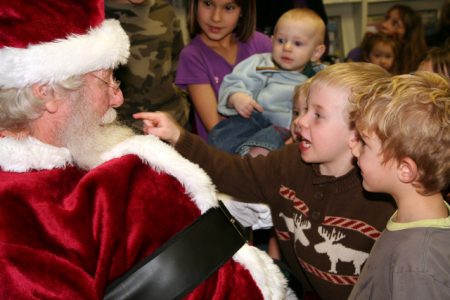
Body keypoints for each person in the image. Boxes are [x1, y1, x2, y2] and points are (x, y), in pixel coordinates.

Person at [0, 1, 290, 299]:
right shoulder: (21, 217)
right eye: (107, 79)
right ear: (46, 92)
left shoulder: (87, 161)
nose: (118, 98)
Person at [135, 62, 397, 300]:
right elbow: (232, 172)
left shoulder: (387, 196)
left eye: (317, 115)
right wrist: (180, 137)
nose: (300, 121)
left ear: (360, 132)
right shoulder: (289, 162)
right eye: (303, 110)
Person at [348, 71, 450, 299]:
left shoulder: (419, 266)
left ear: (405, 169)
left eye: (364, 143)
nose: (354, 149)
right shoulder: (411, 220)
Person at [209, 8, 326, 158]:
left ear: (316, 52)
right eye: (281, 40)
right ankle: (217, 161)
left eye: (297, 43)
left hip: (289, 128)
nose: (287, 48)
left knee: (267, 144)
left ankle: (251, 163)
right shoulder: (260, 63)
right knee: (222, 137)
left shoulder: (321, 76)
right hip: (254, 118)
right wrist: (236, 97)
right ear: (271, 40)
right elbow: (234, 81)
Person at [175, 0, 272, 140]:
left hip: (275, 151)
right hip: (225, 156)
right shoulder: (193, 56)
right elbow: (217, 129)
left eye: (229, 8)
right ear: (195, 4)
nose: (216, 17)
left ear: (243, 11)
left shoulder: (262, 43)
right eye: (208, 4)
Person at [104, 0, 190, 133]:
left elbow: (179, 68)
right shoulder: (95, 16)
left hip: (173, 122)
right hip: (118, 131)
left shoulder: (165, 11)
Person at [347, 4, 427, 74]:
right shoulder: (359, 54)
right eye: (386, 18)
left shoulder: (419, 64)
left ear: (408, 33)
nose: (384, 25)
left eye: (395, 23)